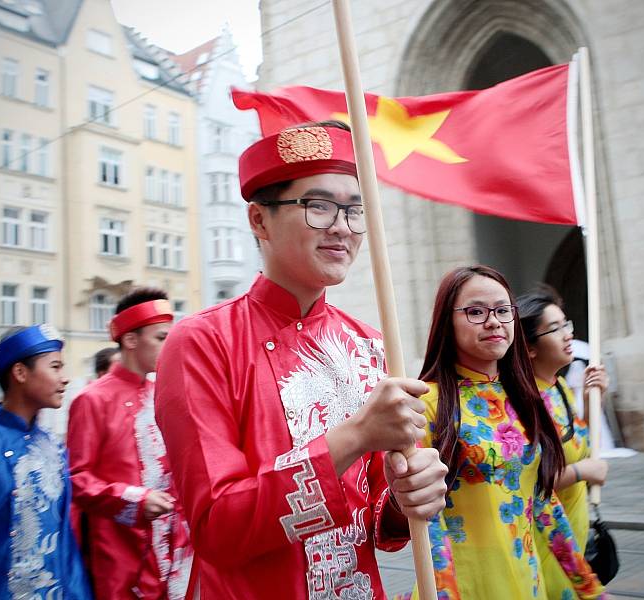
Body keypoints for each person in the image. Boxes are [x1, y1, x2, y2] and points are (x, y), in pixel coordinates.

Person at [155, 121, 448, 599]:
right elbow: (218, 528)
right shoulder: (200, 342)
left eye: (355, 210)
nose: (341, 226)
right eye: (318, 206)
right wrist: (354, 437)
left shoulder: (370, 346)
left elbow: (379, 524)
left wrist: (404, 498)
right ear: (259, 220)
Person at [411, 265, 605, 599]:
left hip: (528, 581)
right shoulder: (425, 404)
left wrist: (588, 587)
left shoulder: (526, 399)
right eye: (475, 312)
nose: (494, 321)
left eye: (503, 311)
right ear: (447, 321)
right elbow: (428, 519)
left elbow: (543, 502)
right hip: (464, 587)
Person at [0, 325, 91, 599]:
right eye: (55, 367)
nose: (66, 378)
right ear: (20, 373)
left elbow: (64, 545)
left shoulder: (53, 448)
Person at [66, 288, 193, 599]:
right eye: (161, 338)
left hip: (175, 547)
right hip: (121, 553)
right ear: (131, 340)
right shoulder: (91, 400)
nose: (171, 345)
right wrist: (134, 499)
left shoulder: (162, 392)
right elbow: (76, 480)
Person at [517, 286, 609, 597]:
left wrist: (589, 399)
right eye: (555, 329)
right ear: (529, 347)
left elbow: (580, 448)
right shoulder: (525, 405)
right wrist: (584, 472)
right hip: (546, 550)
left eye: (566, 324)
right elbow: (532, 481)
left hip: (574, 540)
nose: (568, 334)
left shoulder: (558, 388)